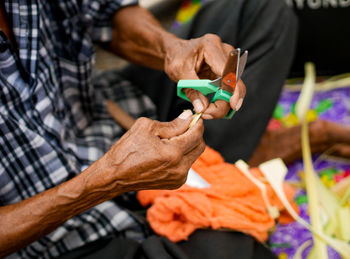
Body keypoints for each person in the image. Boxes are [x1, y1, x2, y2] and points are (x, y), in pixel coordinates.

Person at [0, 0, 297, 258]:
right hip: (55, 236)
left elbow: (105, 13)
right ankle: (218, 175)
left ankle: (207, 170)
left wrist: (173, 50)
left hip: (104, 115)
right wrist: (104, 182)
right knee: (231, 249)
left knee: (261, 13)